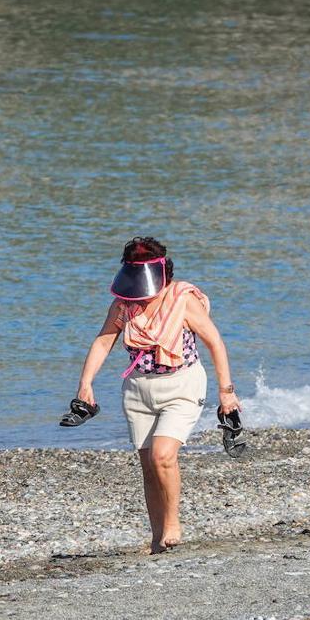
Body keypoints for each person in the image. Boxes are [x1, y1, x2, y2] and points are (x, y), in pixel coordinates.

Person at [74, 236, 241, 553]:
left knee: (163, 455)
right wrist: (86, 384)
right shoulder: (126, 303)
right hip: (138, 391)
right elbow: (103, 341)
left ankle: (173, 523)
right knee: (149, 466)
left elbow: (215, 342)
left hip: (182, 385)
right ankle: (156, 539)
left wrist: (227, 392)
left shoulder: (182, 299)